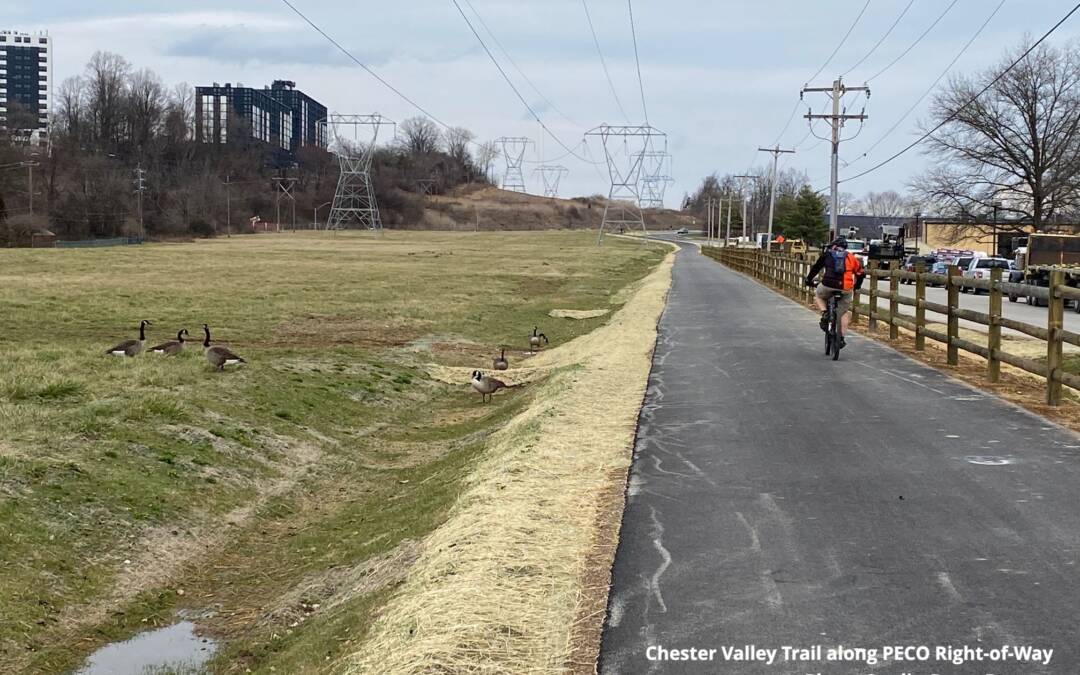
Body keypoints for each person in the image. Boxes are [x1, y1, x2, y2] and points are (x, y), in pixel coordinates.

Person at [804, 236, 865, 348]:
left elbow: (816, 267)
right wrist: (856, 286)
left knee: (819, 294)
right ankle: (841, 338)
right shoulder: (851, 257)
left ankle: (825, 312)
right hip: (845, 288)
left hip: (828, 285)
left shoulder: (827, 254)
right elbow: (860, 273)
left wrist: (808, 280)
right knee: (844, 312)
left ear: (834, 246)